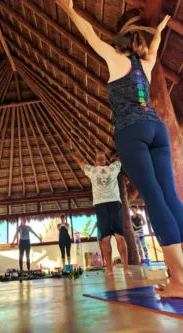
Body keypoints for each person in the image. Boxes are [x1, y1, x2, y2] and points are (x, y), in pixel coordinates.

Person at [56, 0, 180, 298]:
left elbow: (89, 35)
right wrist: (159, 30)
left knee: (154, 198)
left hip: (132, 130)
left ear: (119, 45)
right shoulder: (146, 65)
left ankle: (179, 280)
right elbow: (154, 48)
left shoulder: (116, 59)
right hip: (156, 129)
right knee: (171, 197)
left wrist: (70, 10)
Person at [67, 146, 129, 276]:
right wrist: (115, 157)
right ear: (105, 160)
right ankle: (125, 269)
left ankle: (110, 270)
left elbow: (80, 163)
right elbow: (120, 158)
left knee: (105, 238)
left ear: (95, 161)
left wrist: (74, 154)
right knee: (120, 236)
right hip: (114, 202)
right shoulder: (113, 168)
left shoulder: (92, 170)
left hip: (101, 205)